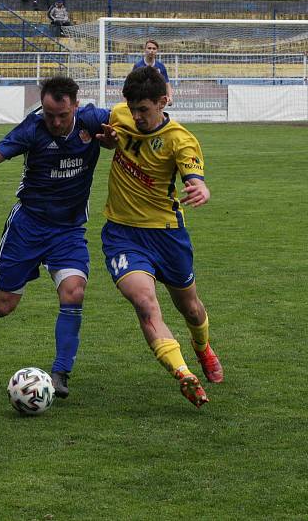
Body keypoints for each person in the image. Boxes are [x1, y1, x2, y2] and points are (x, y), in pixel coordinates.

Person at [0, 76, 114, 399]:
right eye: (49, 114)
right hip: (28, 227)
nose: (55, 121)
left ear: (76, 106)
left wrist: (117, 136)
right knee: (5, 304)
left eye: (62, 115)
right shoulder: (32, 128)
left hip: (67, 230)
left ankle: (61, 372)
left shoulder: (93, 119)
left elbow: (129, 120)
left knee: (74, 291)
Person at [99, 66, 223, 408]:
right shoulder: (119, 115)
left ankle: (202, 348)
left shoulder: (180, 139)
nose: (136, 116)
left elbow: (195, 175)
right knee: (144, 303)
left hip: (168, 236)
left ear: (163, 102)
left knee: (191, 309)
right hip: (122, 234)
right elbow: (91, 123)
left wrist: (201, 189)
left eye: (145, 110)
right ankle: (184, 373)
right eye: (132, 109)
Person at [132, 39, 173, 106]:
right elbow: (131, 84)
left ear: (157, 51)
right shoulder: (138, 66)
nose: (151, 50)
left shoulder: (160, 66)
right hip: (142, 100)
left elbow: (167, 83)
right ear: (145, 49)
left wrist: (170, 97)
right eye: (149, 48)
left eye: (154, 49)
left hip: (157, 100)